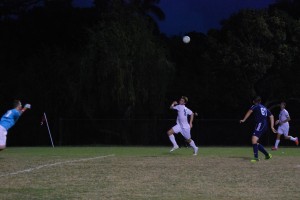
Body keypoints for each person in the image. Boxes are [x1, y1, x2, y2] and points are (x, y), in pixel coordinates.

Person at [240, 96, 276, 162]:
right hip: (264, 125)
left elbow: (249, 112)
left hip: (260, 124)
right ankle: (267, 155)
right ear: (260, 101)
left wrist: (244, 119)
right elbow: (271, 116)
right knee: (255, 142)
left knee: (253, 140)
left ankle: (256, 158)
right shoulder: (264, 107)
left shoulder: (255, 106)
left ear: (254, 101)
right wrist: (272, 126)